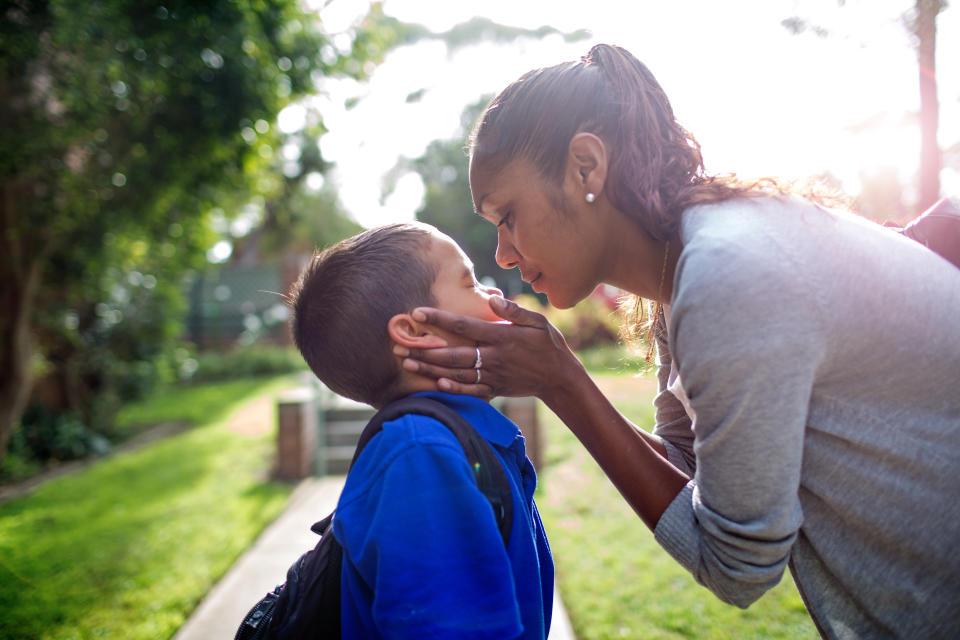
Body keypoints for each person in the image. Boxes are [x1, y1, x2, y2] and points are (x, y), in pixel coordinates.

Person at [395, 44, 960, 639]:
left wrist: (563, 384)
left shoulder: (727, 273)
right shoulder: (684, 270)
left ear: (587, 166)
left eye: (507, 214)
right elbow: (688, 469)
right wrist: (561, 380)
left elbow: (738, 565)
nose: (504, 255)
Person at [287, 222, 554, 639]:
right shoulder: (421, 458)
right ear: (416, 332)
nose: (495, 293)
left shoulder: (450, 440)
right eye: (471, 283)